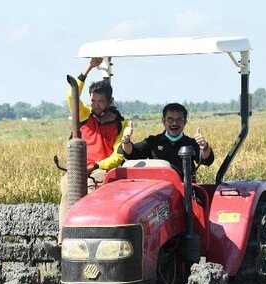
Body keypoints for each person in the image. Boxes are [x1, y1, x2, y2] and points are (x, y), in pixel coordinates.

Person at [59, 57, 129, 224]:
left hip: (103, 170)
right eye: (93, 101)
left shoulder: (121, 125)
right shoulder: (85, 115)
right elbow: (71, 95)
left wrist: (96, 166)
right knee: (70, 193)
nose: (96, 105)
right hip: (79, 169)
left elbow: (118, 157)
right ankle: (64, 239)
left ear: (110, 102)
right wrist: (89, 67)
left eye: (100, 102)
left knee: (92, 197)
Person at [120, 102, 214, 178]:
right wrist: (126, 141)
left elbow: (206, 160)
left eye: (179, 119)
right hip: (158, 190)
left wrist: (204, 146)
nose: (174, 123)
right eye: (170, 119)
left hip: (185, 191)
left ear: (184, 122)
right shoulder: (153, 141)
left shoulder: (190, 143)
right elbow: (132, 153)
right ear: (163, 121)